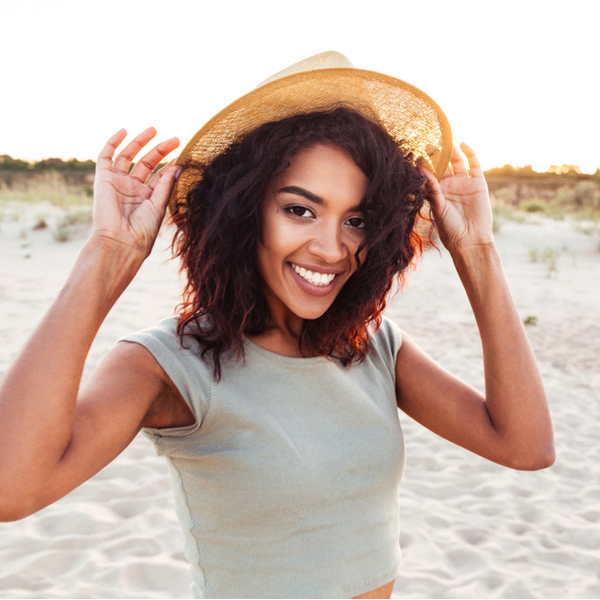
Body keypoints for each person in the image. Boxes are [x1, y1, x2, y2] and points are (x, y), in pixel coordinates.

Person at [0, 52, 554, 599]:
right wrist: (108, 254)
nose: (332, 247)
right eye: (300, 210)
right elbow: (13, 489)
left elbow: (525, 447)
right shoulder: (167, 365)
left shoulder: (372, 346)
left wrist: (478, 254)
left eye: (356, 219)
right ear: (244, 209)